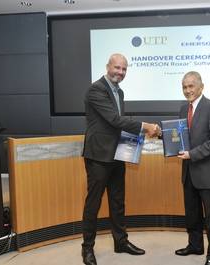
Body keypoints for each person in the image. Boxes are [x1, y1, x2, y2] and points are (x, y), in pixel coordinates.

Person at [81, 53, 160, 265]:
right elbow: (115, 120)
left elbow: (118, 124)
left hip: (117, 154)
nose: (120, 72)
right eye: (117, 68)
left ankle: (120, 241)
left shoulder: (120, 92)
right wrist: (146, 127)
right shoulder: (95, 89)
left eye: (124, 69)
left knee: (117, 201)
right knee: (93, 203)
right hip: (98, 156)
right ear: (108, 66)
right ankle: (87, 249)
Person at [175, 71, 210, 265]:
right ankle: (195, 245)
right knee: (192, 213)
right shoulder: (182, 109)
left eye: (191, 86)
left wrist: (192, 154)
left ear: (201, 86)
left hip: (207, 173)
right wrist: (163, 136)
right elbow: (180, 137)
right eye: (184, 87)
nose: (187, 90)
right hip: (188, 172)